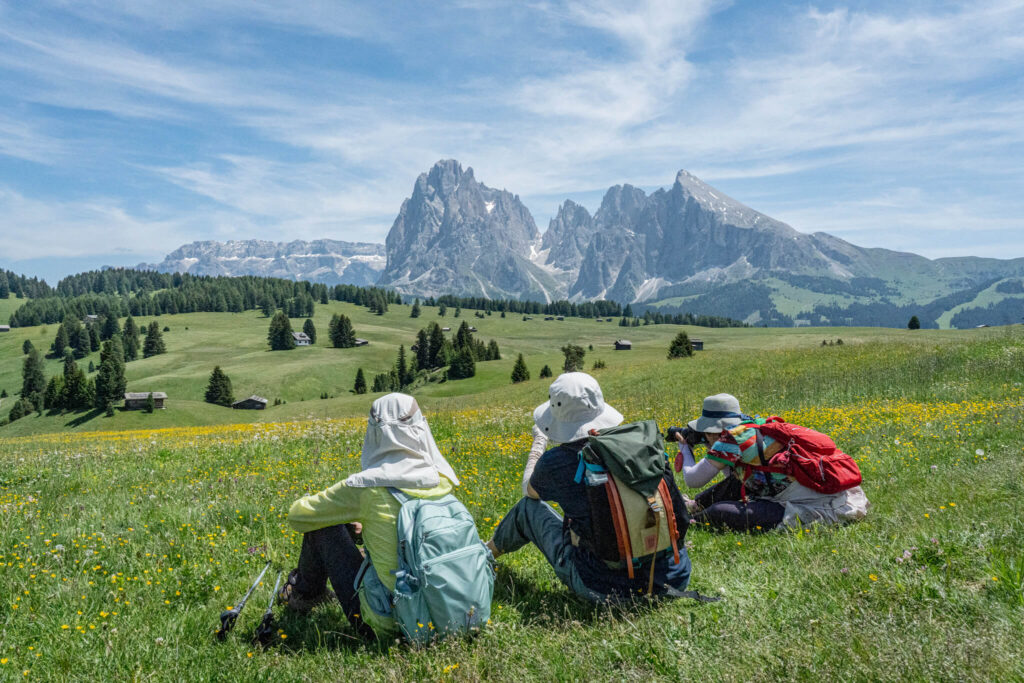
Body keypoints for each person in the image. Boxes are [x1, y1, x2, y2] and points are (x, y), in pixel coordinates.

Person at [486, 372, 692, 601]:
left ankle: (484, 554)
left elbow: (529, 491)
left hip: (603, 589)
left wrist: (538, 445)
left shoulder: (558, 461)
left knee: (526, 509)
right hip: (674, 577)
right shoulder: (643, 445)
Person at [280, 393, 464, 640]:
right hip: (453, 614)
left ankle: (306, 594)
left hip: (389, 623)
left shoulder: (366, 488)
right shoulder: (441, 478)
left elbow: (297, 517)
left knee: (322, 527)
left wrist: (338, 514)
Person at [674, 393, 869, 532]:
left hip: (806, 505)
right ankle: (695, 505)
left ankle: (689, 520)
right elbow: (736, 476)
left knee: (720, 512)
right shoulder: (755, 426)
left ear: (713, 429)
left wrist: (685, 448)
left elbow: (692, 479)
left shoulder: (730, 441)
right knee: (736, 480)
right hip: (830, 495)